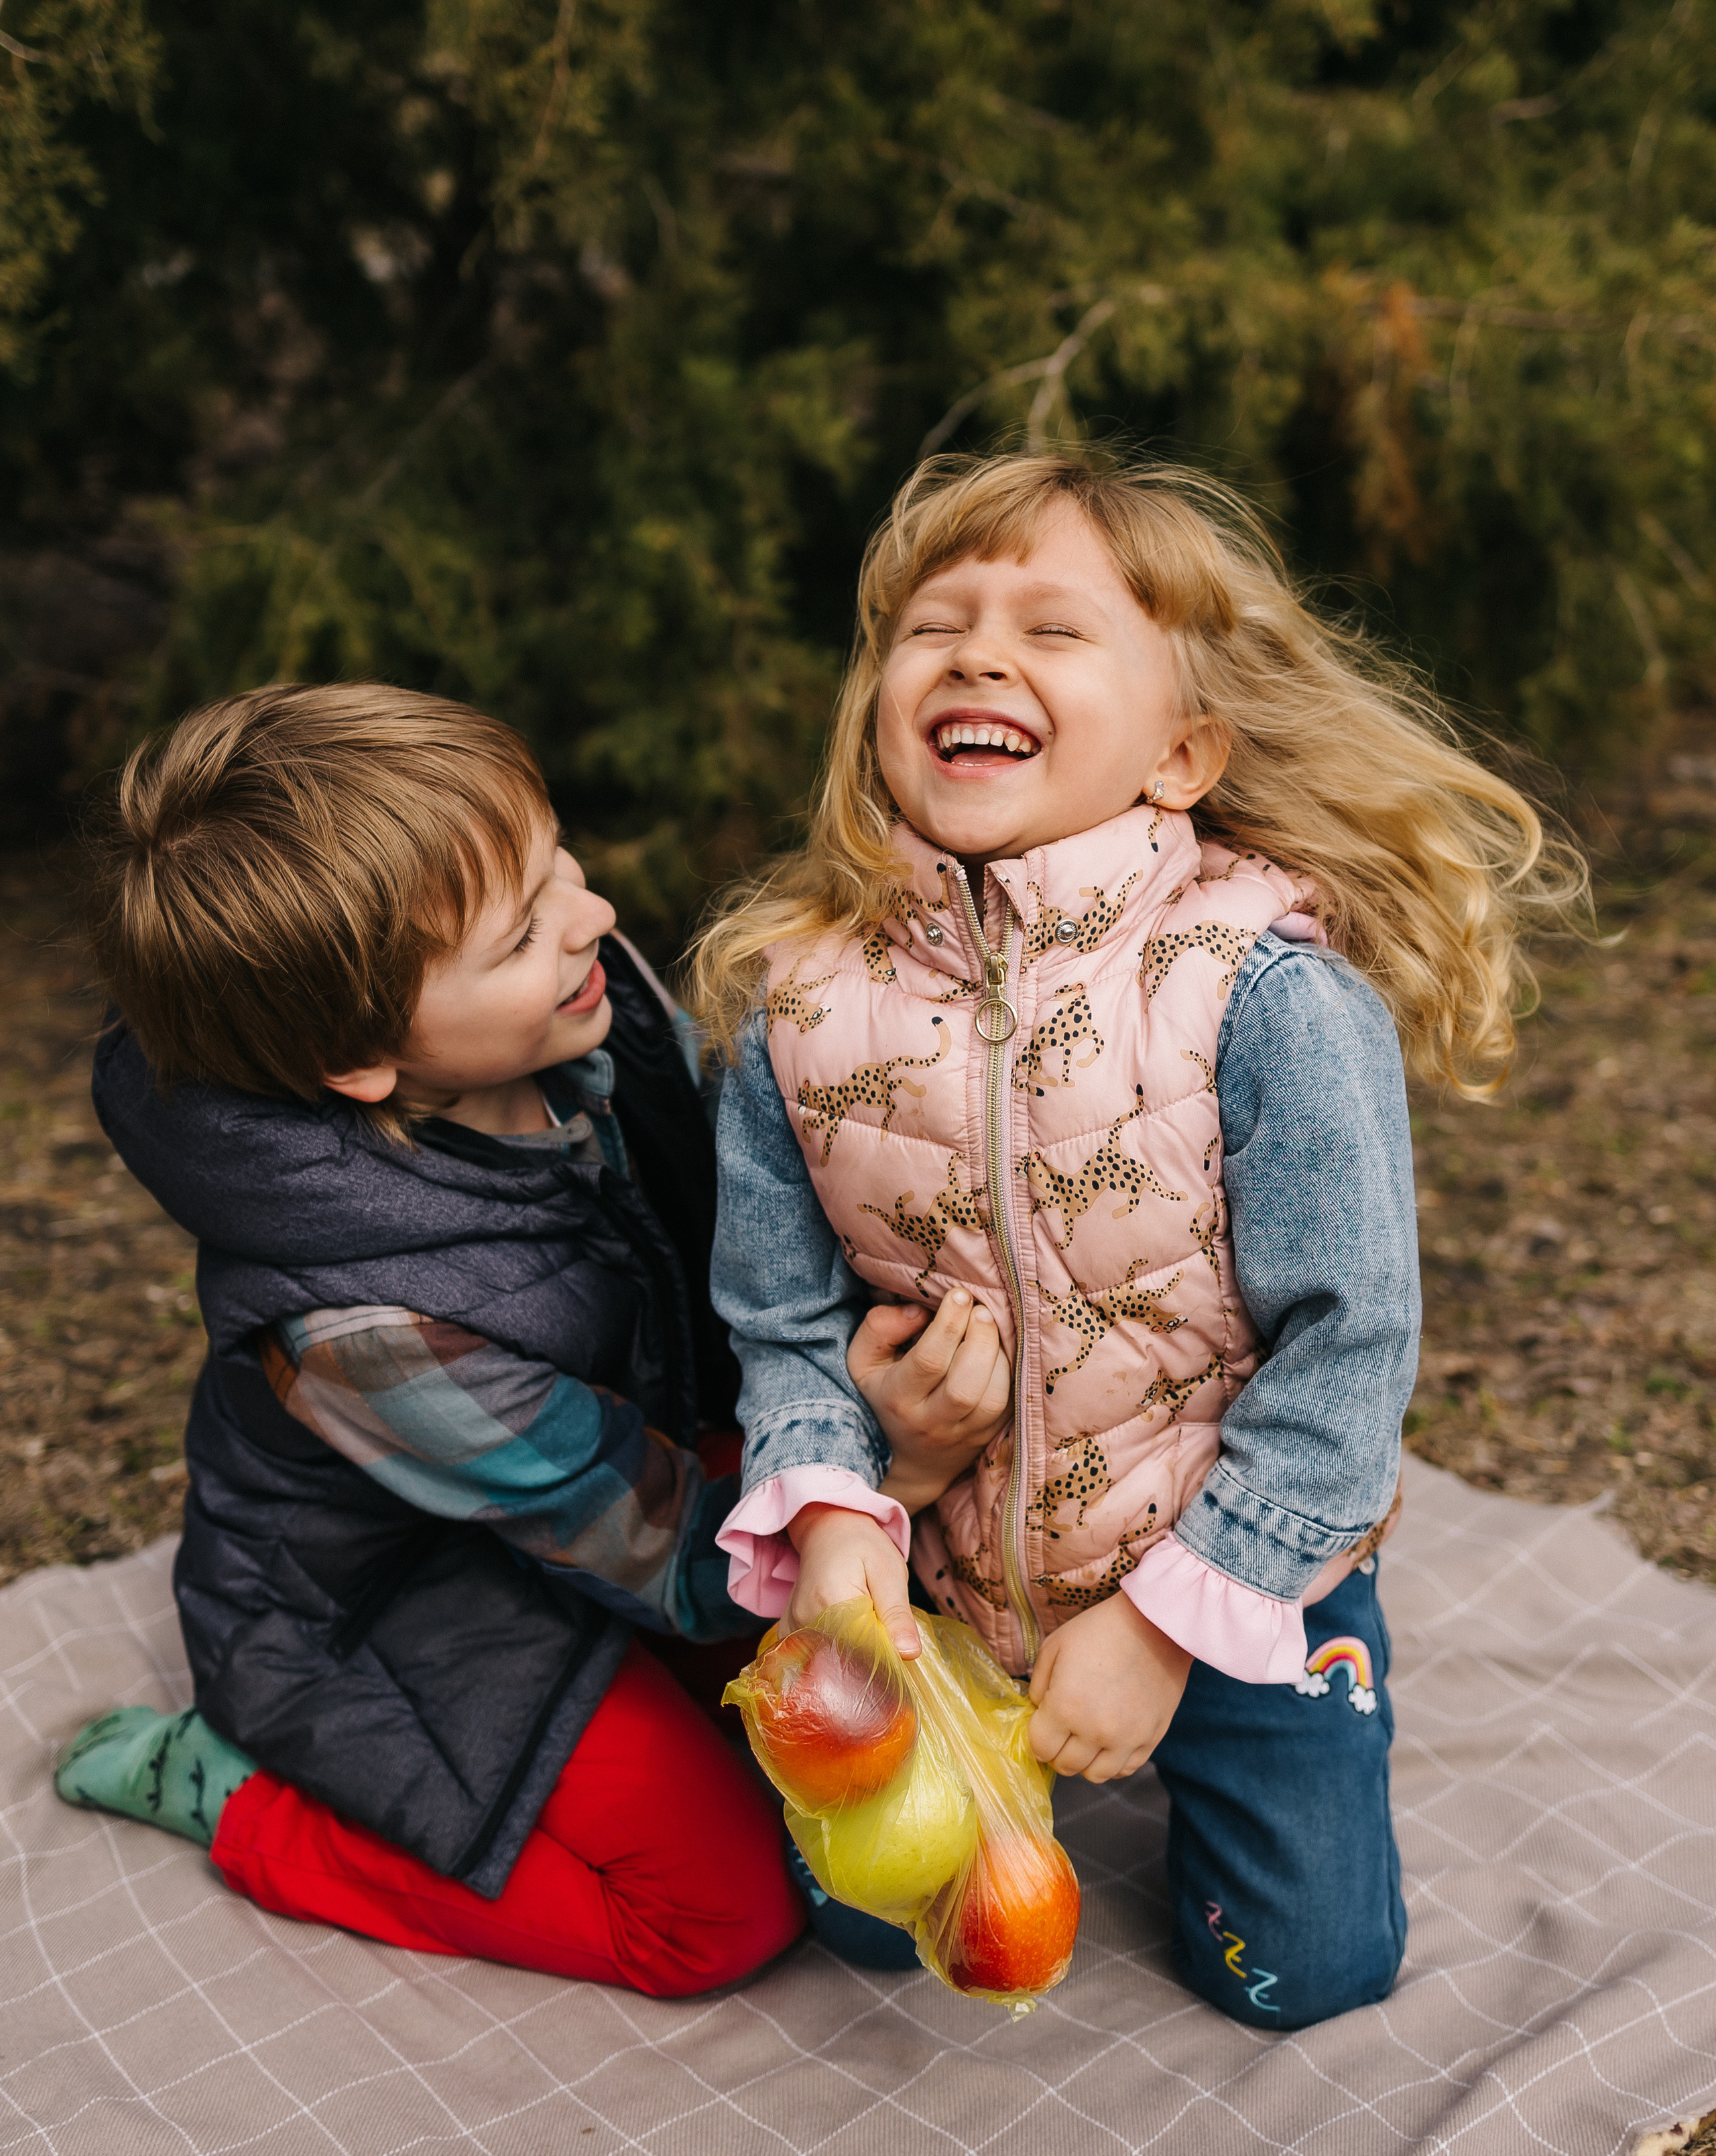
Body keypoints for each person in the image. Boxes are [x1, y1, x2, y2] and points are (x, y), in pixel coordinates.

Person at [690, 451, 1583, 2028]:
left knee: (1298, 1979)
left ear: (1180, 752)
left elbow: (1349, 1346)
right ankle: (999, 1710)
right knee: (866, 1935)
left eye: (1049, 630)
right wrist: (835, 1509)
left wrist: (1169, 1624)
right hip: (947, 1571)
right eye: (933, 626)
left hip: (1229, 1569)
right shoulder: (795, 1013)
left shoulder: (1265, 996)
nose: (975, 655)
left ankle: (1273, 1703)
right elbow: (776, 1320)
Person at [54, 683, 804, 1998]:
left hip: (595, 1468)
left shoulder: (570, 992)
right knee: (717, 1916)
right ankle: (240, 1805)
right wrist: (891, 1468)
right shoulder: (369, 1333)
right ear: (359, 1055)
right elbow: (670, 1554)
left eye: (557, 856)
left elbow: (727, 1199)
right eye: (523, 930)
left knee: (863, 1653)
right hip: (386, 1607)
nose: (596, 915)